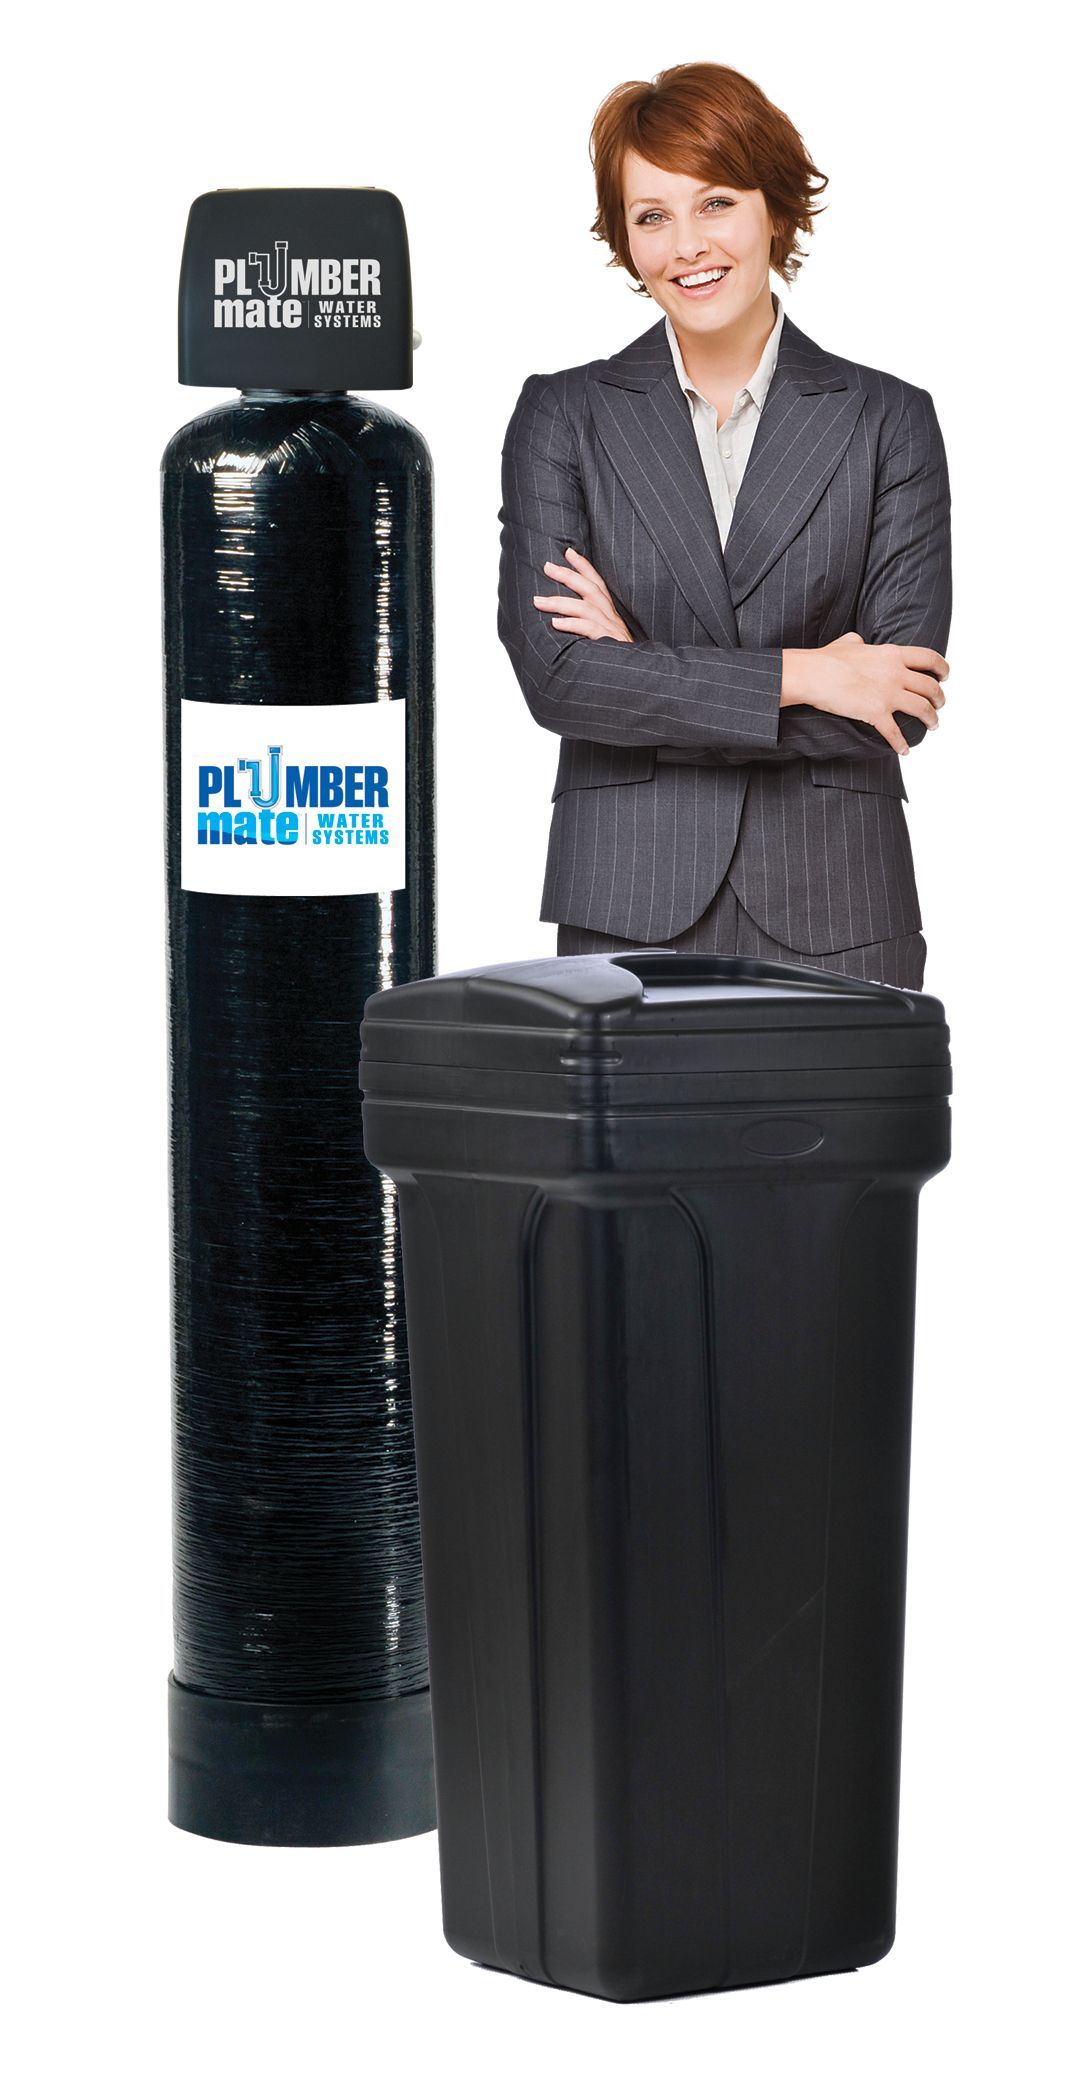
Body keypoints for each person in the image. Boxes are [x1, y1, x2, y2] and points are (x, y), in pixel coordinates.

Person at [497, 62, 952, 989]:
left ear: (772, 210)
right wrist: (814, 674)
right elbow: (561, 684)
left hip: (837, 904)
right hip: (626, 905)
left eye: (714, 203)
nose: (685, 245)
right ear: (624, 241)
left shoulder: (886, 420)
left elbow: (894, 706)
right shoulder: (563, 416)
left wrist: (642, 668)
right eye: (650, 215)